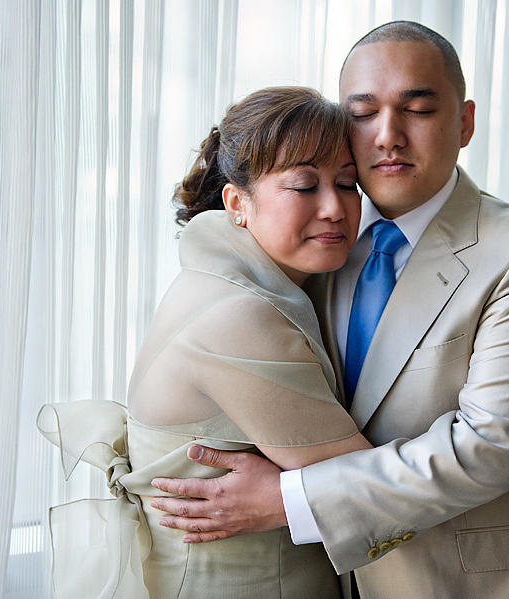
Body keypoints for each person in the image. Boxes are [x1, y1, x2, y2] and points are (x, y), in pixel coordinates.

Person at [151, 21, 509, 599]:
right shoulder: (316, 240)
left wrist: (289, 498)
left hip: (470, 581)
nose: (388, 136)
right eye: (363, 113)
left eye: (418, 109)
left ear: (465, 122)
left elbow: (490, 448)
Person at [38, 86, 376, 598]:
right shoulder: (238, 314)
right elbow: (367, 488)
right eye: (304, 186)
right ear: (237, 202)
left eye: (348, 184)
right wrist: (496, 451)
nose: (335, 207)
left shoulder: (247, 281)